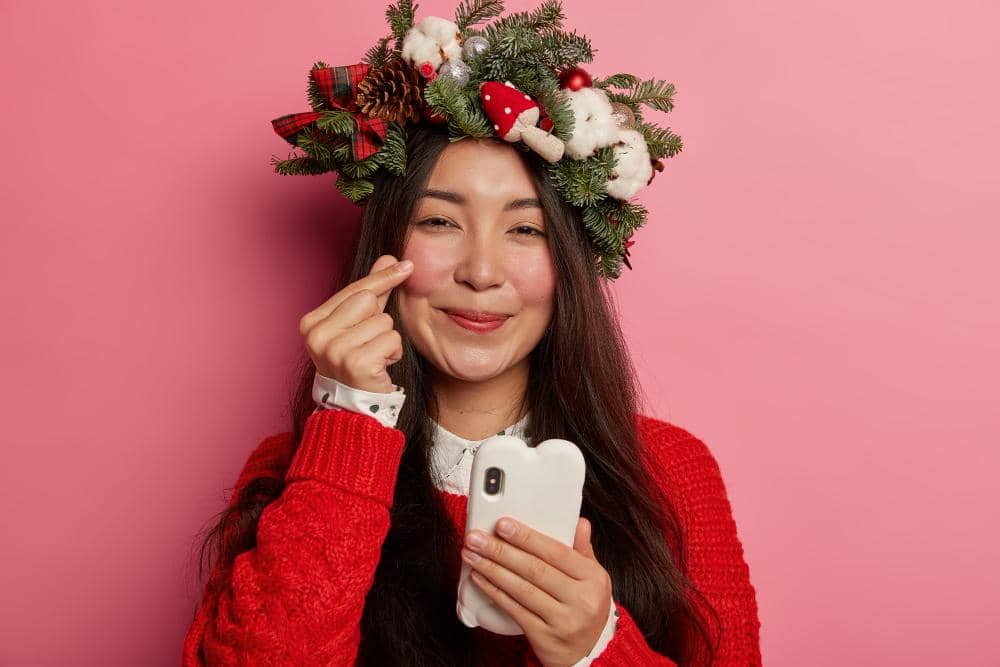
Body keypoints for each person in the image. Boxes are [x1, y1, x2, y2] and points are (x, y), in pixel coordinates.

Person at [183, 3, 761, 665]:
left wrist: (593, 646)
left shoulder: (670, 472)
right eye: (439, 223)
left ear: (568, 267)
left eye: (525, 229)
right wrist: (351, 420)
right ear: (385, 245)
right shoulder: (295, 469)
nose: (482, 272)